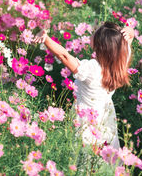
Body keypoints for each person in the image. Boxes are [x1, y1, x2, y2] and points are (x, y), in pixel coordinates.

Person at [33, 21, 134, 171]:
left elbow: (64, 56)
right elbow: (125, 44)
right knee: (104, 162)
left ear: (100, 46)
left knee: (84, 162)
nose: (92, 33)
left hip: (87, 121)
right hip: (105, 121)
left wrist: (46, 39)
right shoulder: (119, 63)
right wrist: (130, 32)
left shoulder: (92, 69)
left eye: (95, 32)